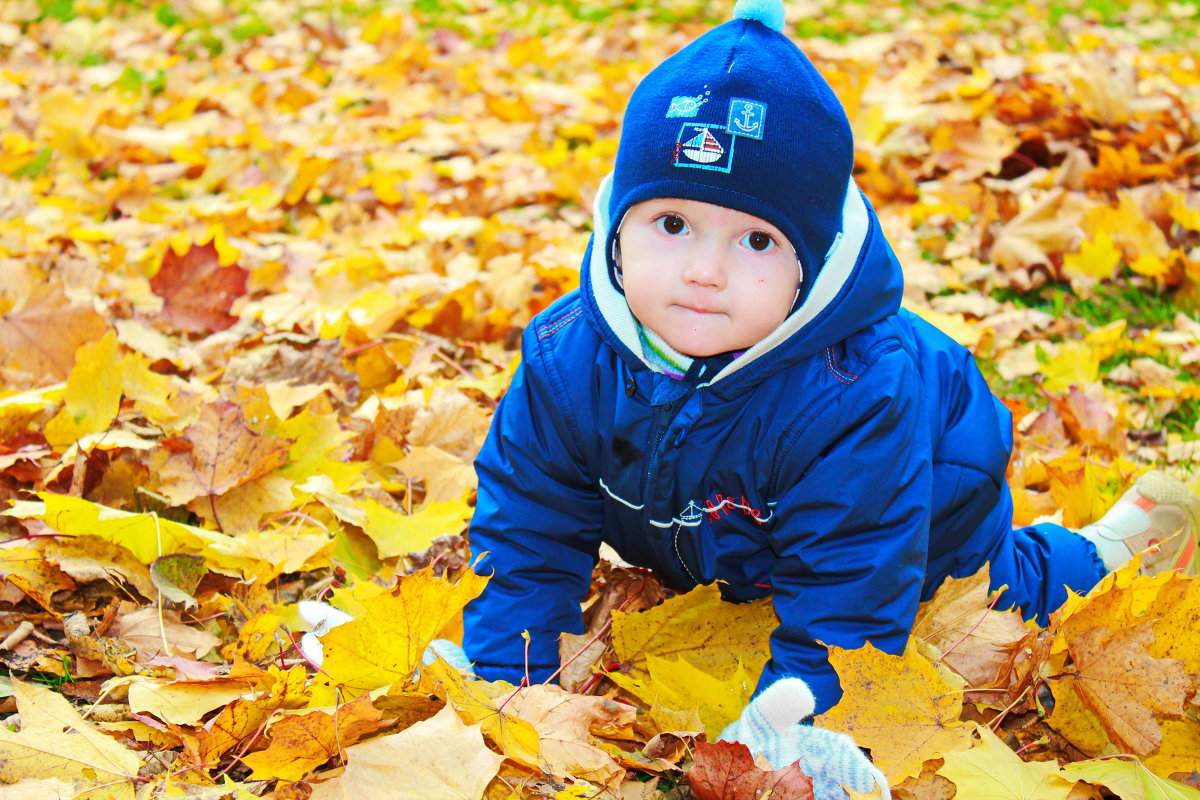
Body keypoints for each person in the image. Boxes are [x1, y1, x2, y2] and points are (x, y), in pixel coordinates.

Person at [460, 0, 1200, 795]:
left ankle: (1101, 558)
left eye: (755, 241)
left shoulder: (858, 392)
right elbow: (529, 522)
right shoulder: (565, 358)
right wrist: (512, 678)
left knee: (983, 599)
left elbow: (855, 581)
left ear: (810, 261)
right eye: (671, 223)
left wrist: (800, 723)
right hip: (727, 527)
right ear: (613, 226)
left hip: (920, 510)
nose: (704, 271)